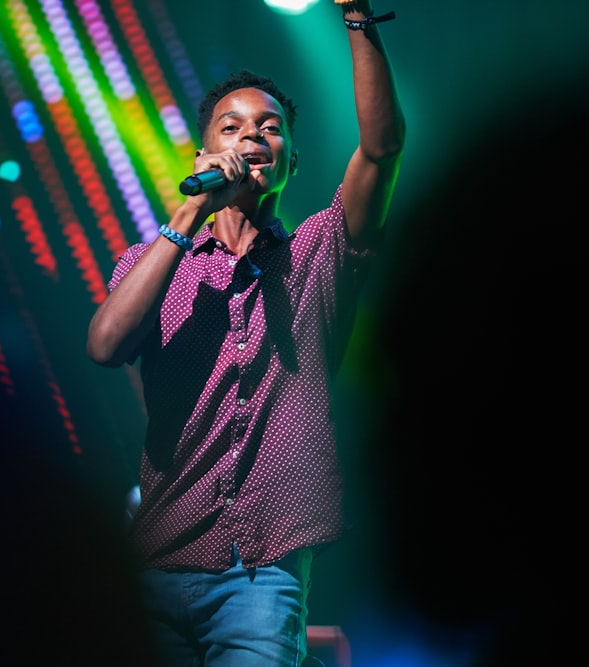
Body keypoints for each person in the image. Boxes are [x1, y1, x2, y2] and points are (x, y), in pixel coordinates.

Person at [86, 1, 405, 664]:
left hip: (262, 573)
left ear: (289, 159)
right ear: (205, 155)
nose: (253, 135)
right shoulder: (156, 265)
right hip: (156, 559)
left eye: (271, 127)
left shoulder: (322, 251)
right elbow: (104, 346)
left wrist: (354, 19)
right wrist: (189, 213)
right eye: (232, 127)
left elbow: (381, 149)